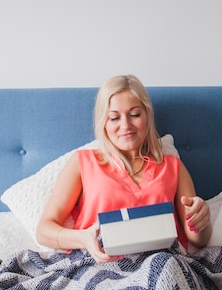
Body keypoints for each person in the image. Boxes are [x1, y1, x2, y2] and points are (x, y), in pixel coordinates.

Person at [36, 75, 212, 263]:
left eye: (135, 115)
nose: (125, 125)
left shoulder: (173, 167)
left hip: (161, 262)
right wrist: (84, 238)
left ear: (147, 115)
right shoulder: (83, 163)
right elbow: (44, 231)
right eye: (114, 117)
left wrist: (202, 221)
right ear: (104, 122)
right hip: (99, 266)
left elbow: (198, 240)